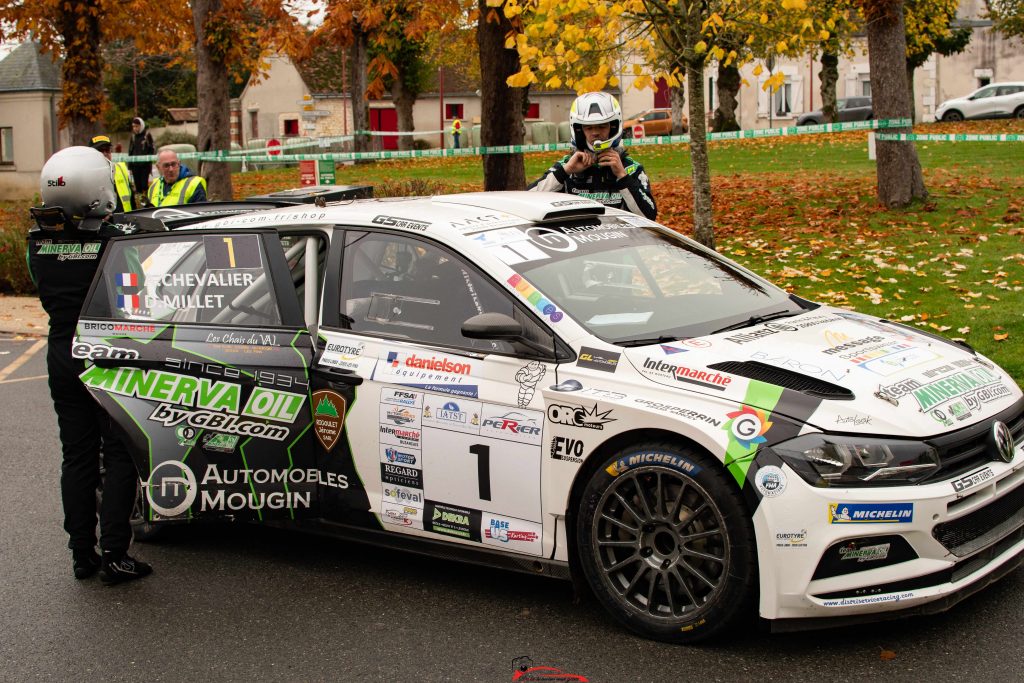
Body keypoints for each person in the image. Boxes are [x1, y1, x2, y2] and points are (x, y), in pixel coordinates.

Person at [27, 146, 152, 584]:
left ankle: (82, 552)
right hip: (106, 352)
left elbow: (40, 286)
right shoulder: (117, 243)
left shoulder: (36, 244)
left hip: (61, 349)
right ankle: (115, 552)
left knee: (76, 456)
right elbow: (137, 298)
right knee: (118, 451)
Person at [529, 91, 657, 220]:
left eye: (602, 127)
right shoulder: (567, 166)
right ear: (579, 131)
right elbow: (528, 200)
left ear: (613, 128)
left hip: (620, 238)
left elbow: (649, 216)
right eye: (589, 128)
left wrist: (622, 176)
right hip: (578, 237)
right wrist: (565, 172)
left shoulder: (631, 168)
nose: (595, 133)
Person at [89, 134, 136, 212]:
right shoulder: (87, 174)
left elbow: (132, 200)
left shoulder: (121, 169)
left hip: (125, 220)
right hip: (102, 222)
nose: (104, 153)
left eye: (107, 150)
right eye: (100, 151)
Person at [127, 117, 155, 201]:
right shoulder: (133, 137)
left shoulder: (147, 135)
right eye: (133, 126)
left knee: (144, 185)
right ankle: (139, 202)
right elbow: (130, 151)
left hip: (145, 166)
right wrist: (130, 167)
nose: (135, 128)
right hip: (135, 166)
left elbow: (152, 149)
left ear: (141, 126)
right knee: (137, 185)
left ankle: (145, 200)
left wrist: (149, 162)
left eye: (136, 126)